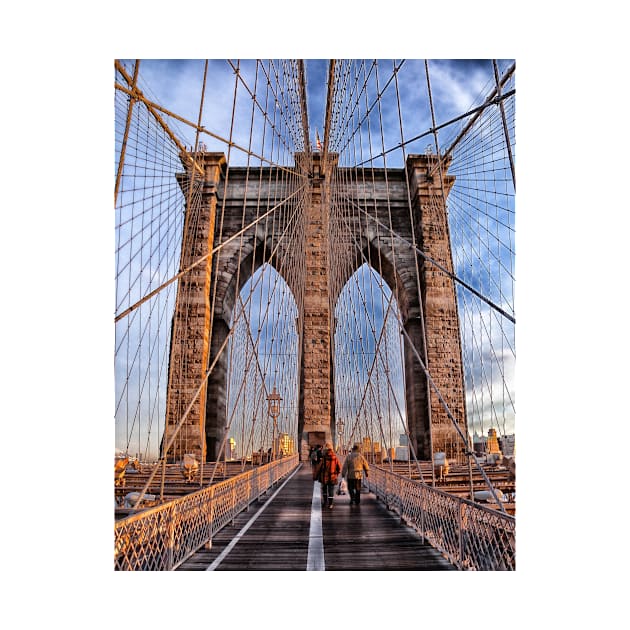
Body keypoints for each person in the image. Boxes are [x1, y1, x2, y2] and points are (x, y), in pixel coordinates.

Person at [317, 442, 341, 509]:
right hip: (332, 477)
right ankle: (330, 504)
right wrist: (336, 474)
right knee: (331, 490)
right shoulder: (335, 457)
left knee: (324, 490)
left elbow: (319, 467)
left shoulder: (324, 458)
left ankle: (325, 503)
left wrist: (316, 475)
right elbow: (339, 468)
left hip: (324, 476)